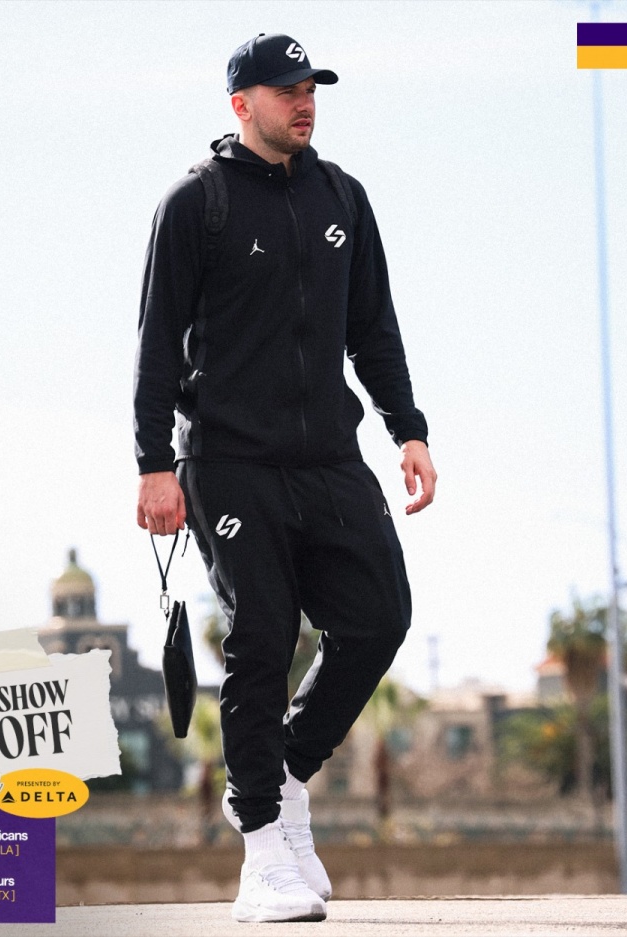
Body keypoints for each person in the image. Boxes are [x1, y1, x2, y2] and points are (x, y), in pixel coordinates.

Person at [133, 32, 437, 923]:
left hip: (330, 456)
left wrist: (408, 429)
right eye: (286, 90)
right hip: (228, 459)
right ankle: (262, 847)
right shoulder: (197, 203)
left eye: (311, 88)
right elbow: (155, 347)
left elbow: (372, 329)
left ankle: (287, 773)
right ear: (242, 104)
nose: (304, 103)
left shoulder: (343, 196)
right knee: (263, 634)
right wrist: (153, 463)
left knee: (379, 616)